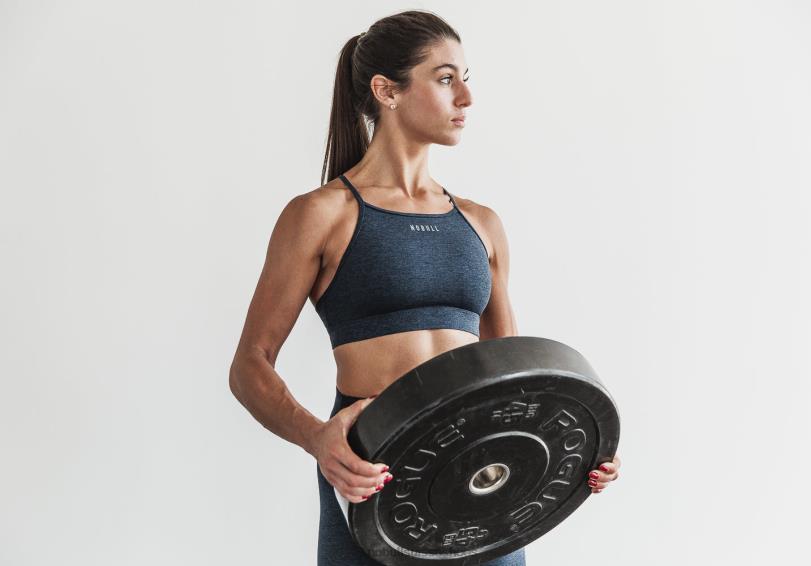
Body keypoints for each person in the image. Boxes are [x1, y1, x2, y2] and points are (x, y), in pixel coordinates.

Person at [228, 9, 621, 565]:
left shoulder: (481, 224)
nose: (466, 97)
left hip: (486, 475)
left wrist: (578, 446)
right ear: (387, 91)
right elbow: (250, 365)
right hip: (374, 475)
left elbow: (516, 374)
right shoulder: (322, 215)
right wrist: (317, 438)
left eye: (466, 78)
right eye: (445, 79)